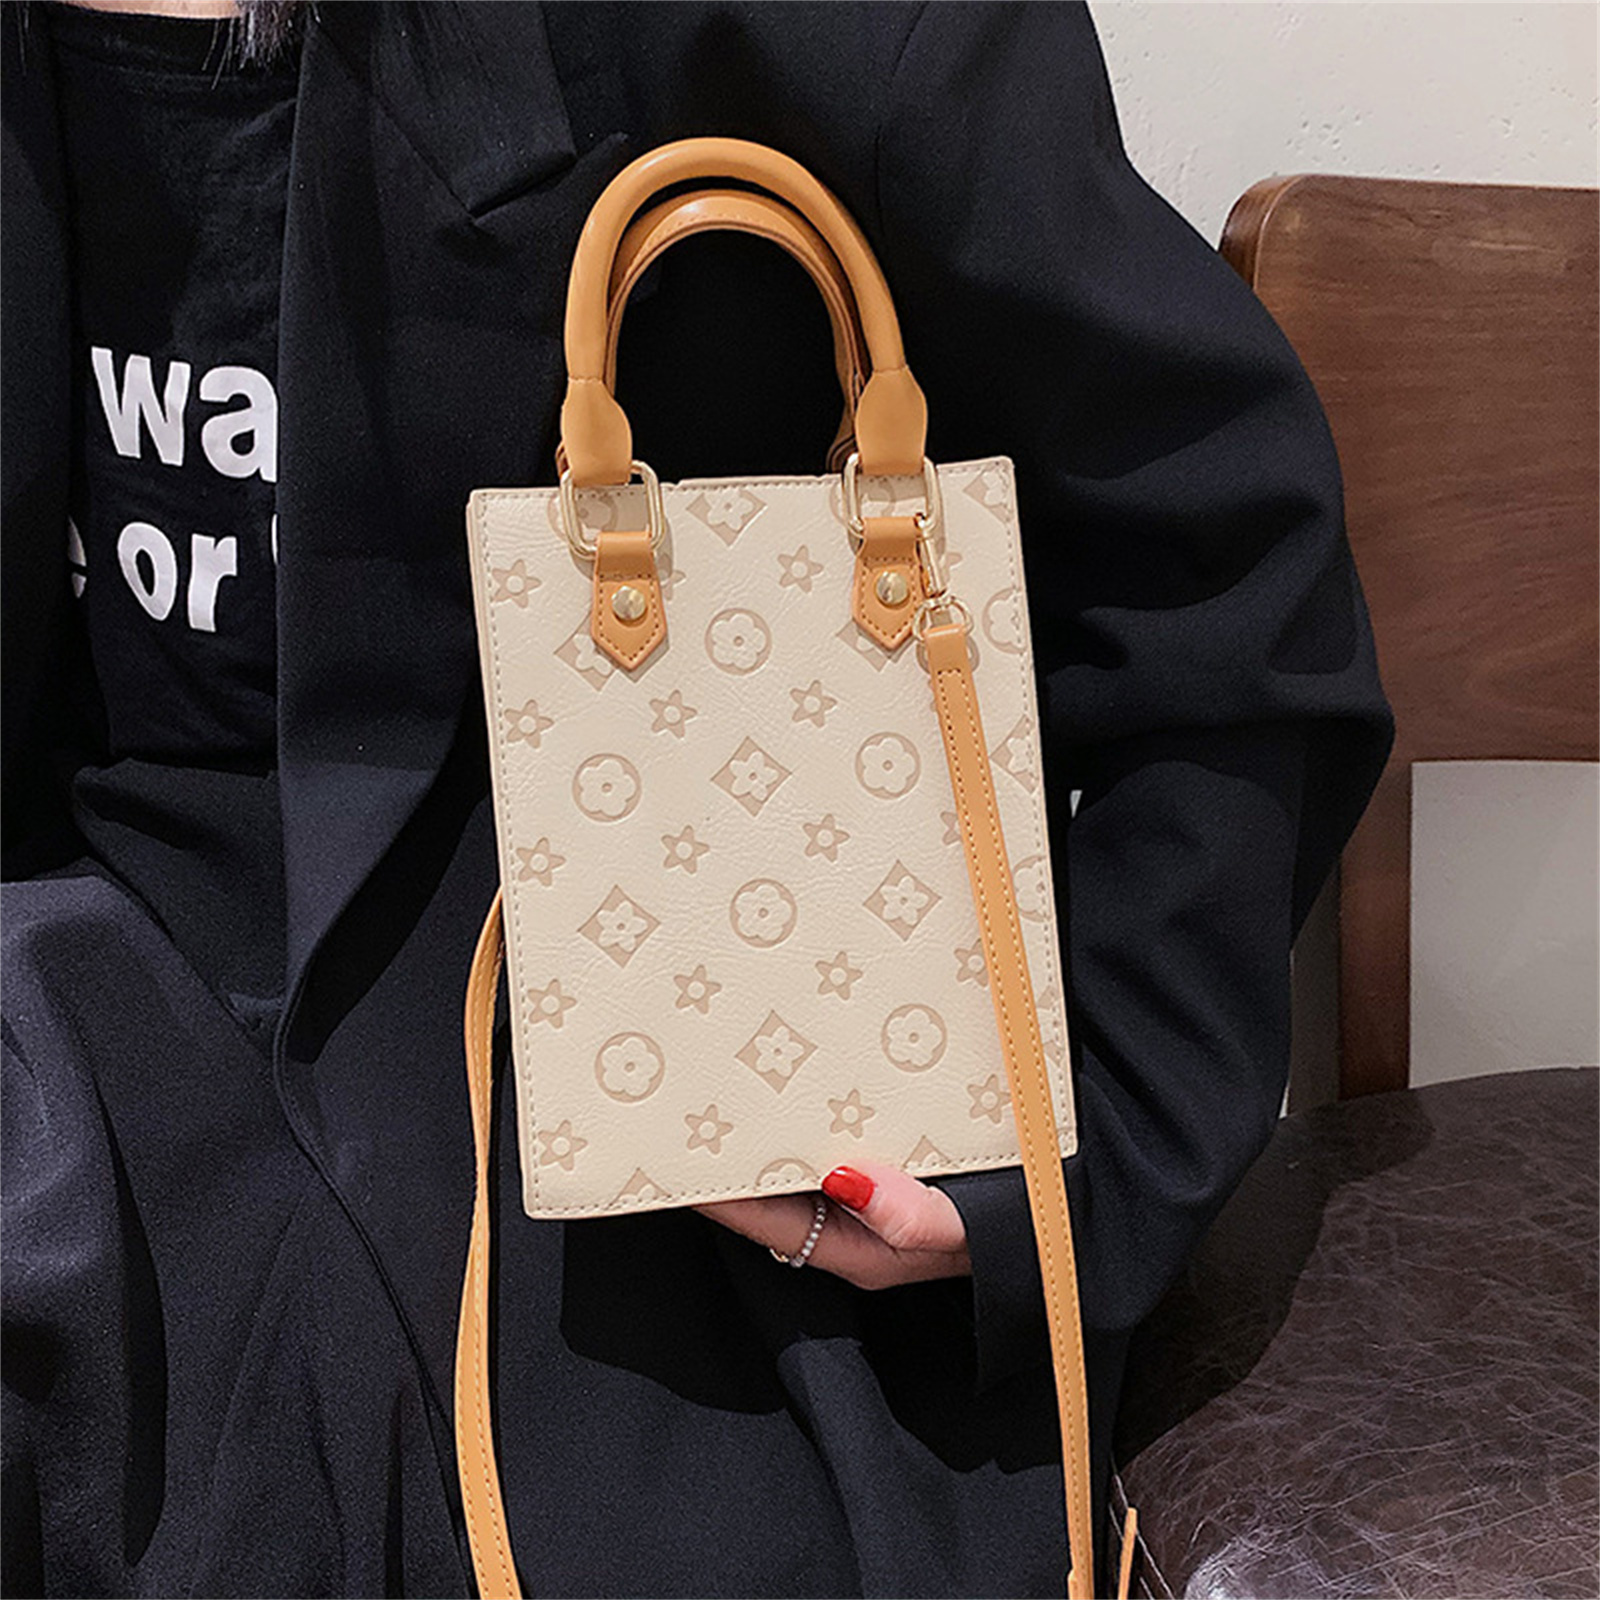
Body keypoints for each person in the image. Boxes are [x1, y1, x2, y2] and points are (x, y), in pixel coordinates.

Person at [0, 2, 1394, 1595]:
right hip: (79, 1010)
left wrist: (1073, 1166)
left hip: (663, 1107)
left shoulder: (828, 34)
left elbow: (1222, 572)